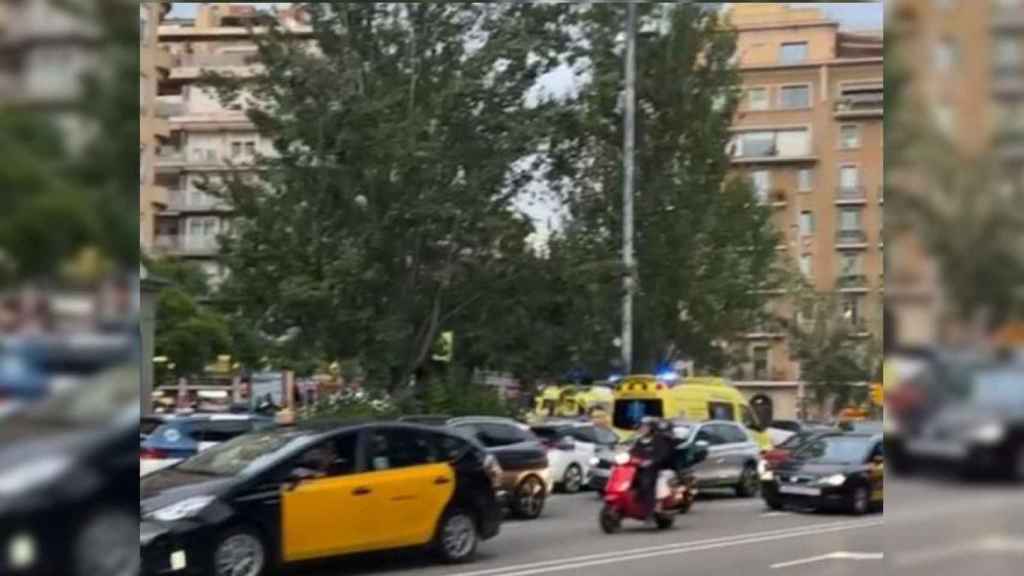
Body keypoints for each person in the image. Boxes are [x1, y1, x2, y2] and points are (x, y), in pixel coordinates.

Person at [630, 417, 674, 518]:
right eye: (642, 427)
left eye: (646, 427)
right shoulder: (638, 441)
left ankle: (651, 511)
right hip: (639, 468)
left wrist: (652, 461)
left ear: (652, 428)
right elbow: (632, 452)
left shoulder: (659, 440)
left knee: (647, 483)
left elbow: (663, 455)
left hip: (655, 469)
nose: (643, 429)